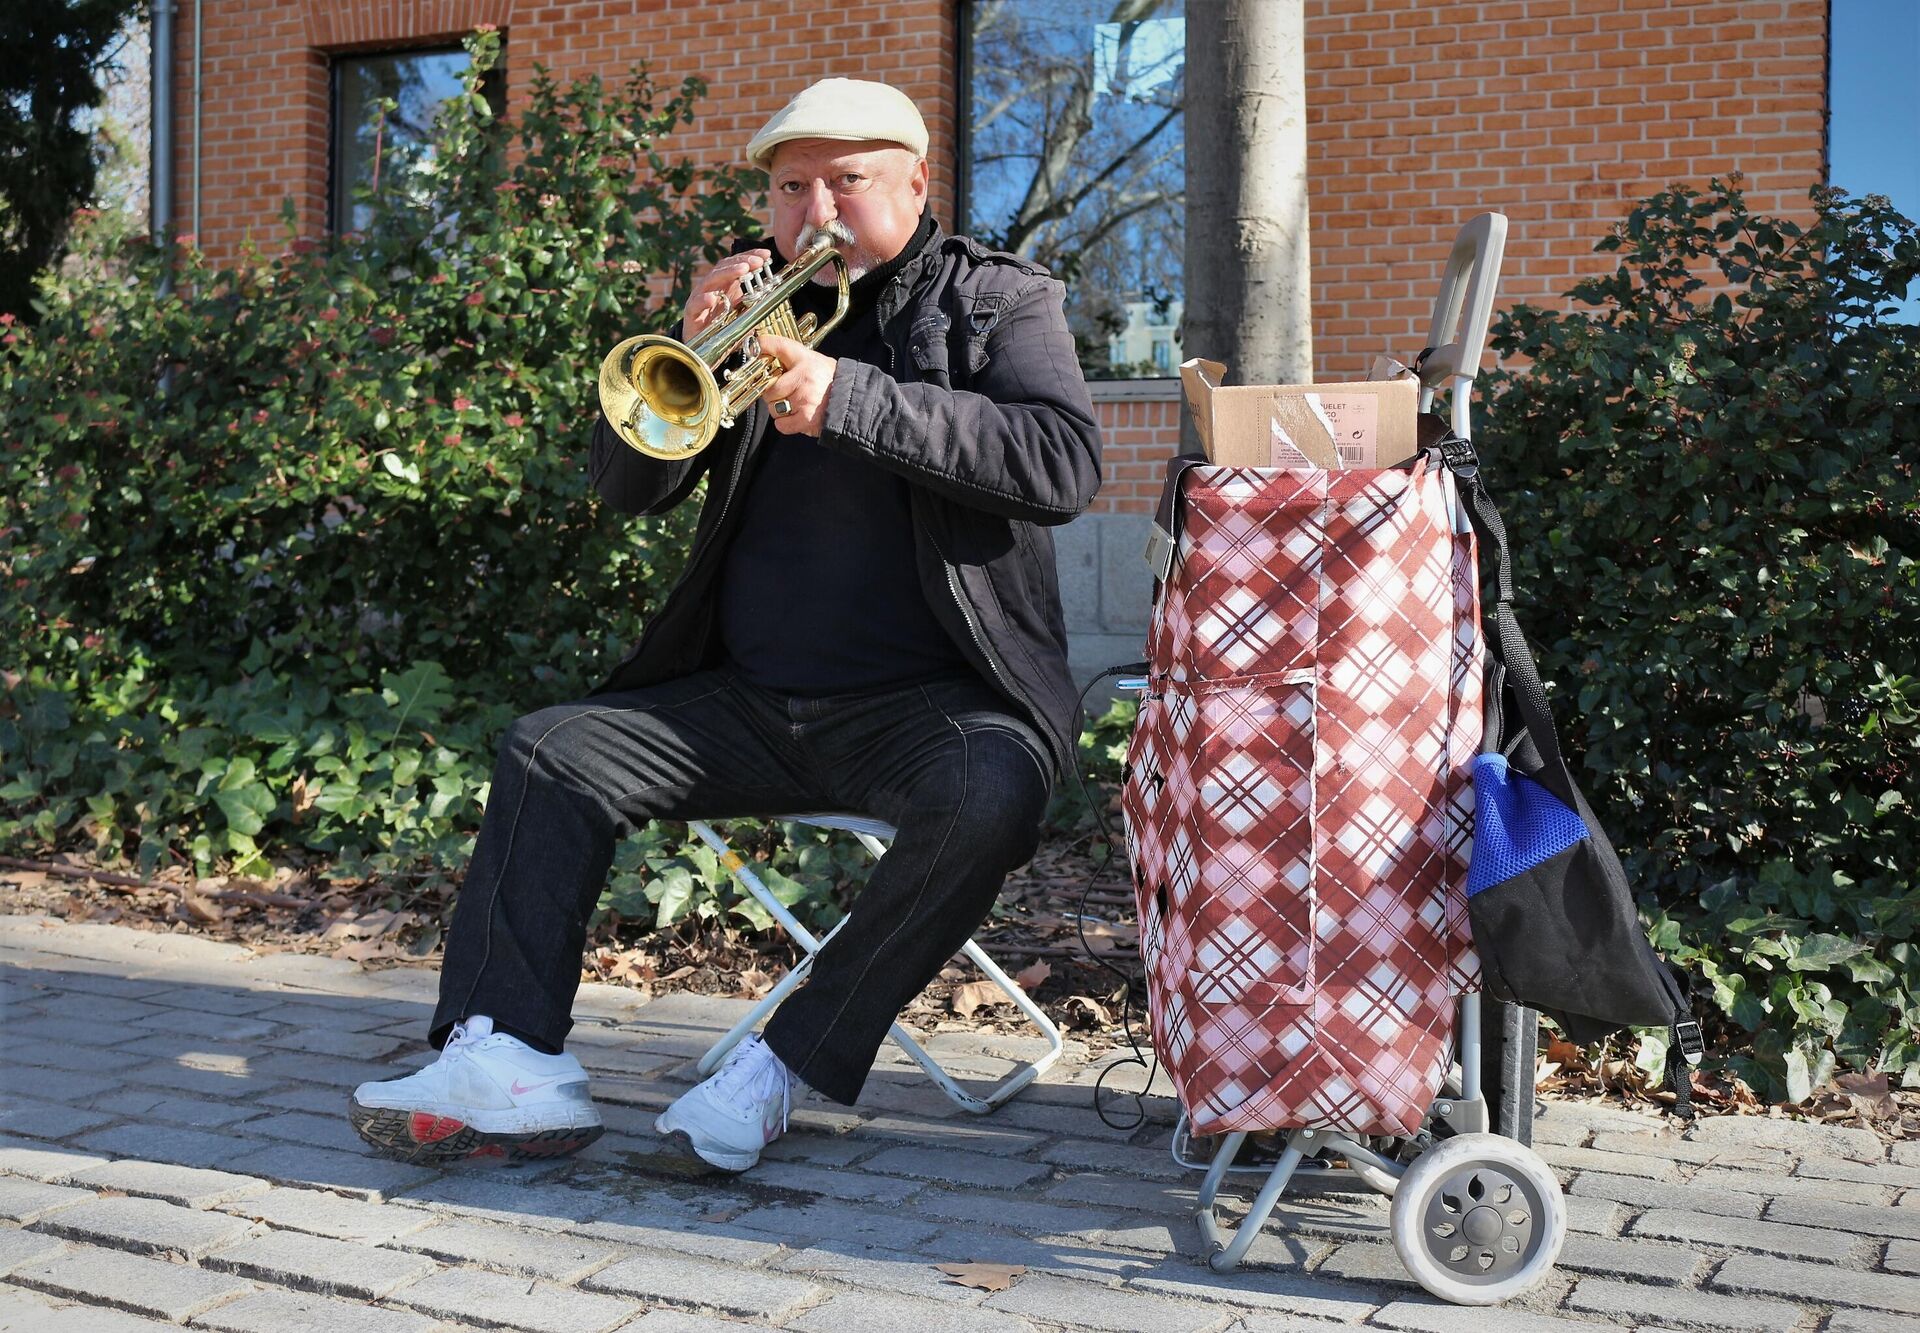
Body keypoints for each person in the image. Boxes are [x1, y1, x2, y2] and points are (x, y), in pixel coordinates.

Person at [347, 77, 1101, 1173]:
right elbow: (628, 491)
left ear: (916, 183)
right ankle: (510, 1061)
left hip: (933, 708)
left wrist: (849, 398)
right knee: (552, 751)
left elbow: (1062, 462)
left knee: (993, 792)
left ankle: (780, 1067)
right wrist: (688, 346)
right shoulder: (757, 304)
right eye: (792, 188)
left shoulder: (996, 299)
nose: (817, 211)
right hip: (750, 703)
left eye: (847, 181)